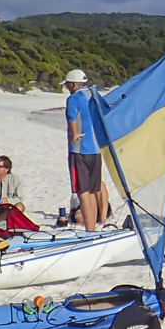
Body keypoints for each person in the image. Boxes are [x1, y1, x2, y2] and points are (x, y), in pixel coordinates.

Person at [63, 70, 111, 229]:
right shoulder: (94, 94)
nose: (67, 88)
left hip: (79, 151)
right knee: (92, 191)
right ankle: (94, 227)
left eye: (68, 85)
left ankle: (90, 230)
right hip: (96, 151)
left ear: (74, 84)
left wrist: (74, 134)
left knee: (83, 193)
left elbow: (71, 117)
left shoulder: (74, 98)